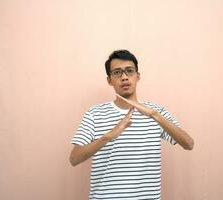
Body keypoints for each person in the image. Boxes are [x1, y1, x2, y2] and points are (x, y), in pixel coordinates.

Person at [69, 49, 194, 200]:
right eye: (117, 73)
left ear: (138, 76)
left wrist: (155, 115)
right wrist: (109, 135)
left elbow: (188, 144)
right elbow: (74, 159)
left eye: (129, 71)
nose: (124, 77)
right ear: (109, 80)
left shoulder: (156, 112)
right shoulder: (95, 113)